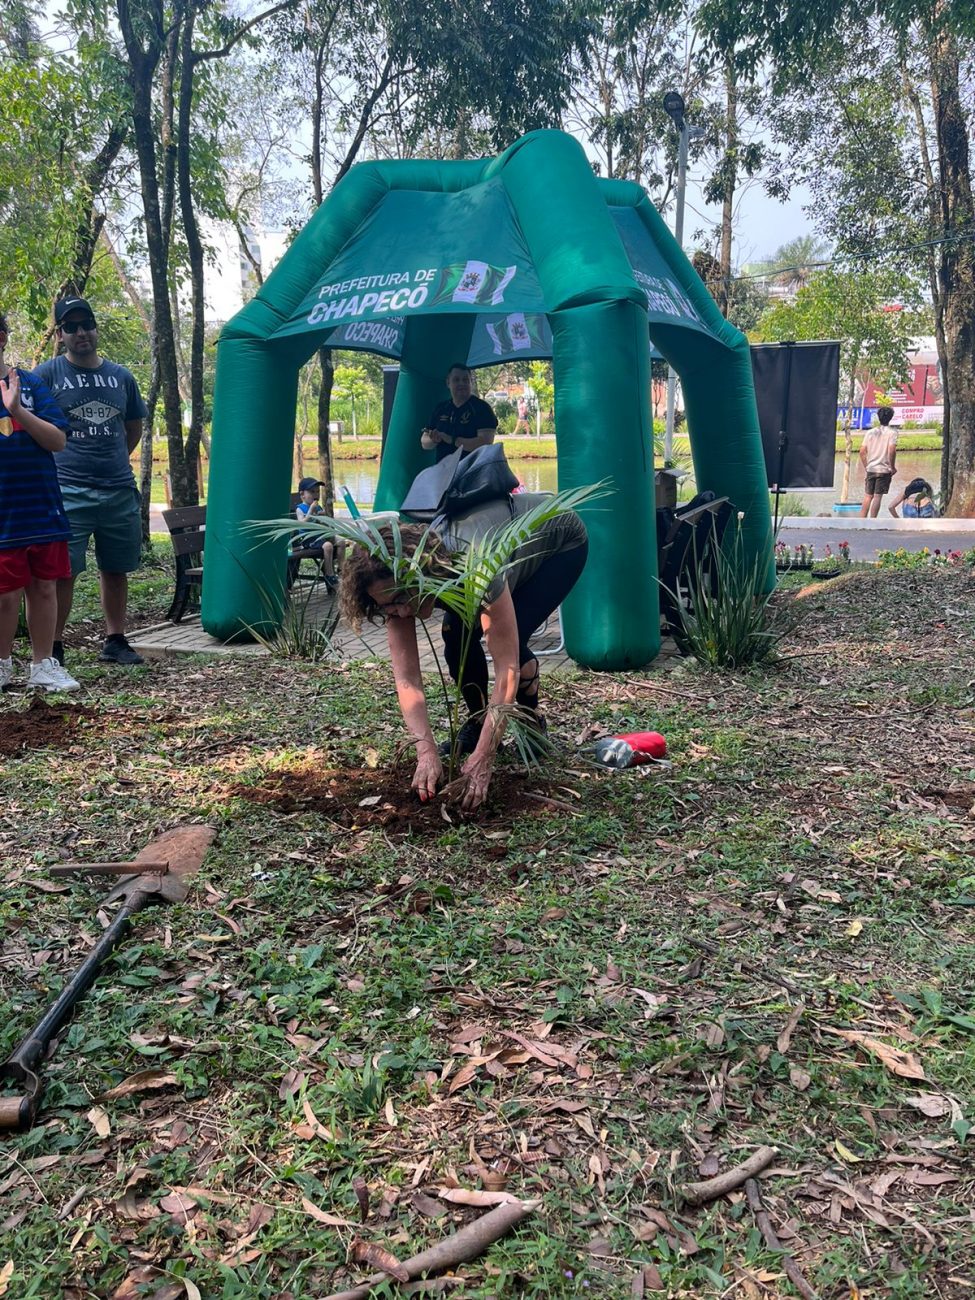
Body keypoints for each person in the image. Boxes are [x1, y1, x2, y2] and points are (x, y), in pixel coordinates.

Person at [340, 494, 588, 812]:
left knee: (513, 645)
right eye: (385, 605)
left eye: (400, 598)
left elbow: (506, 667)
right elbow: (407, 680)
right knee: (456, 638)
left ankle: (529, 721)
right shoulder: (390, 588)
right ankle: (477, 719)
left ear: (422, 575)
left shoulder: (475, 569)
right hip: (491, 556)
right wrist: (425, 752)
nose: (398, 612)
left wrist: (485, 756)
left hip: (558, 543)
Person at [35, 296, 148, 667]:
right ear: (61, 334)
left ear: (95, 328)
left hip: (117, 487)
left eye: (86, 324)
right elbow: (33, 426)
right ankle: (53, 646)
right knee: (62, 570)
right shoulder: (47, 374)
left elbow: (133, 427)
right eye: (71, 327)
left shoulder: (121, 377)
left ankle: (115, 639)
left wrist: (113, 459)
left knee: (115, 568)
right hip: (67, 488)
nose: (81, 332)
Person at [0, 311, 80, 691]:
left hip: (42, 506)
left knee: (44, 586)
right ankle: (2, 666)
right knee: (5, 593)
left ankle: (42, 666)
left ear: (1, 338)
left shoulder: (30, 384)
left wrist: (17, 410)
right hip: (3, 514)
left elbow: (58, 440)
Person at [420, 363, 498, 463]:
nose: (462, 383)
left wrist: (453, 440)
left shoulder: (482, 408)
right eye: (456, 380)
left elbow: (485, 443)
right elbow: (424, 443)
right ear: (448, 383)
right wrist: (434, 439)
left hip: (472, 472)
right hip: (443, 472)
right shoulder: (441, 408)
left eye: (465, 380)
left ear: (471, 382)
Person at [292, 477, 345, 589]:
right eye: (312, 492)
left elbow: (323, 524)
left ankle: (341, 569)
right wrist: (311, 511)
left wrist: (323, 517)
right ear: (302, 495)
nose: (316, 494)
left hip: (320, 536)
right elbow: (301, 524)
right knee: (328, 546)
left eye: (317, 491)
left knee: (341, 541)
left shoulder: (318, 507)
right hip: (308, 539)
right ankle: (329, 574)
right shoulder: (300, 509)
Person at [858, 405, 897, 518]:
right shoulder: (892, 433)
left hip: (871, 468)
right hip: (883, 469)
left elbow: (862, 451)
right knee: (877, 496)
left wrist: (867, 466)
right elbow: (892, 450)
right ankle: (873, 521)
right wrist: (892, 467)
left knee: (867, 496)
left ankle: (861, 520)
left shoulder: (870, 432)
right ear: (890, 418)